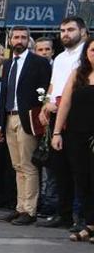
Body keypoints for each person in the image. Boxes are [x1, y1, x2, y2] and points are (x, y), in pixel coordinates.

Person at [0, 26, 52, 225]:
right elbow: (3, 94)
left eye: (23, 37)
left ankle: (30, 210)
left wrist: (41, 115)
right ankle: (20, 208)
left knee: (28, 166)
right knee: (17, 166)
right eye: (16, 37)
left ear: (29, 40)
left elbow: (46, 92)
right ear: (10, 40)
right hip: (9, 117)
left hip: (27, 118)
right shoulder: (8, 63)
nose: (19, 40)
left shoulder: (39, 63)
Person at [40, 16, 86, 230]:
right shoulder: (58, 58)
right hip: (56, 118)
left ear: (82, 31)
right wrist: (45, 106)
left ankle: (83, 216)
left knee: (81, 170)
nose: (65, 34)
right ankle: (64, 213)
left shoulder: (87, 55)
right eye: (62, 30)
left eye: (70, 30)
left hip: (78, 116)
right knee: (60, 169)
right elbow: (53, 86)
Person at [50, 36, 94, 242]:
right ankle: (89, 224)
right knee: (82, 179)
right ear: (86, 52)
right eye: (92, 50)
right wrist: (57, 132)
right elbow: (65, 103)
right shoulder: (78, 74)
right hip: (76, 134)